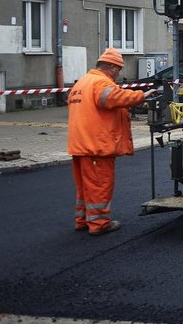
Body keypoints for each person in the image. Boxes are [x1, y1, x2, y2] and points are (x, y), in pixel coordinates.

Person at [67, 48, 156, 236]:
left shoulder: (82, 83)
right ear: (110, 66)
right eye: (118, 69)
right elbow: (113, 97)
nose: (118, 74)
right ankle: (99, 223)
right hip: (96, 147)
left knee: (85, 187)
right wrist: (141, 95)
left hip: (81, 145)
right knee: (100, 185)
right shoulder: (100, 82)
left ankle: (83, 220)